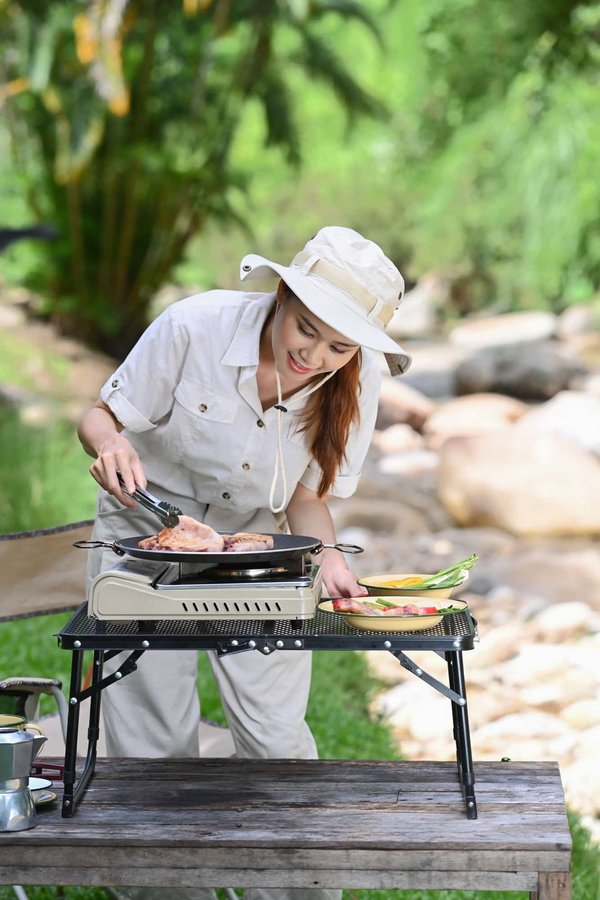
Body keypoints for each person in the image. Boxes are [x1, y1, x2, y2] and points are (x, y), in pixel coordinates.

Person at [77, 225, 411, 900]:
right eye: (306, 330)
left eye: (339, 346)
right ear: (281, 295)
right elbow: (99, 416)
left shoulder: (356, 379)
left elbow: (308, 498)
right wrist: (111, 446)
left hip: (259, 546)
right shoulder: (194, 326)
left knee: (274, 733)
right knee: (152, 740)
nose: (314, 356)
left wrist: (328, 558)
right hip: (148, 529)